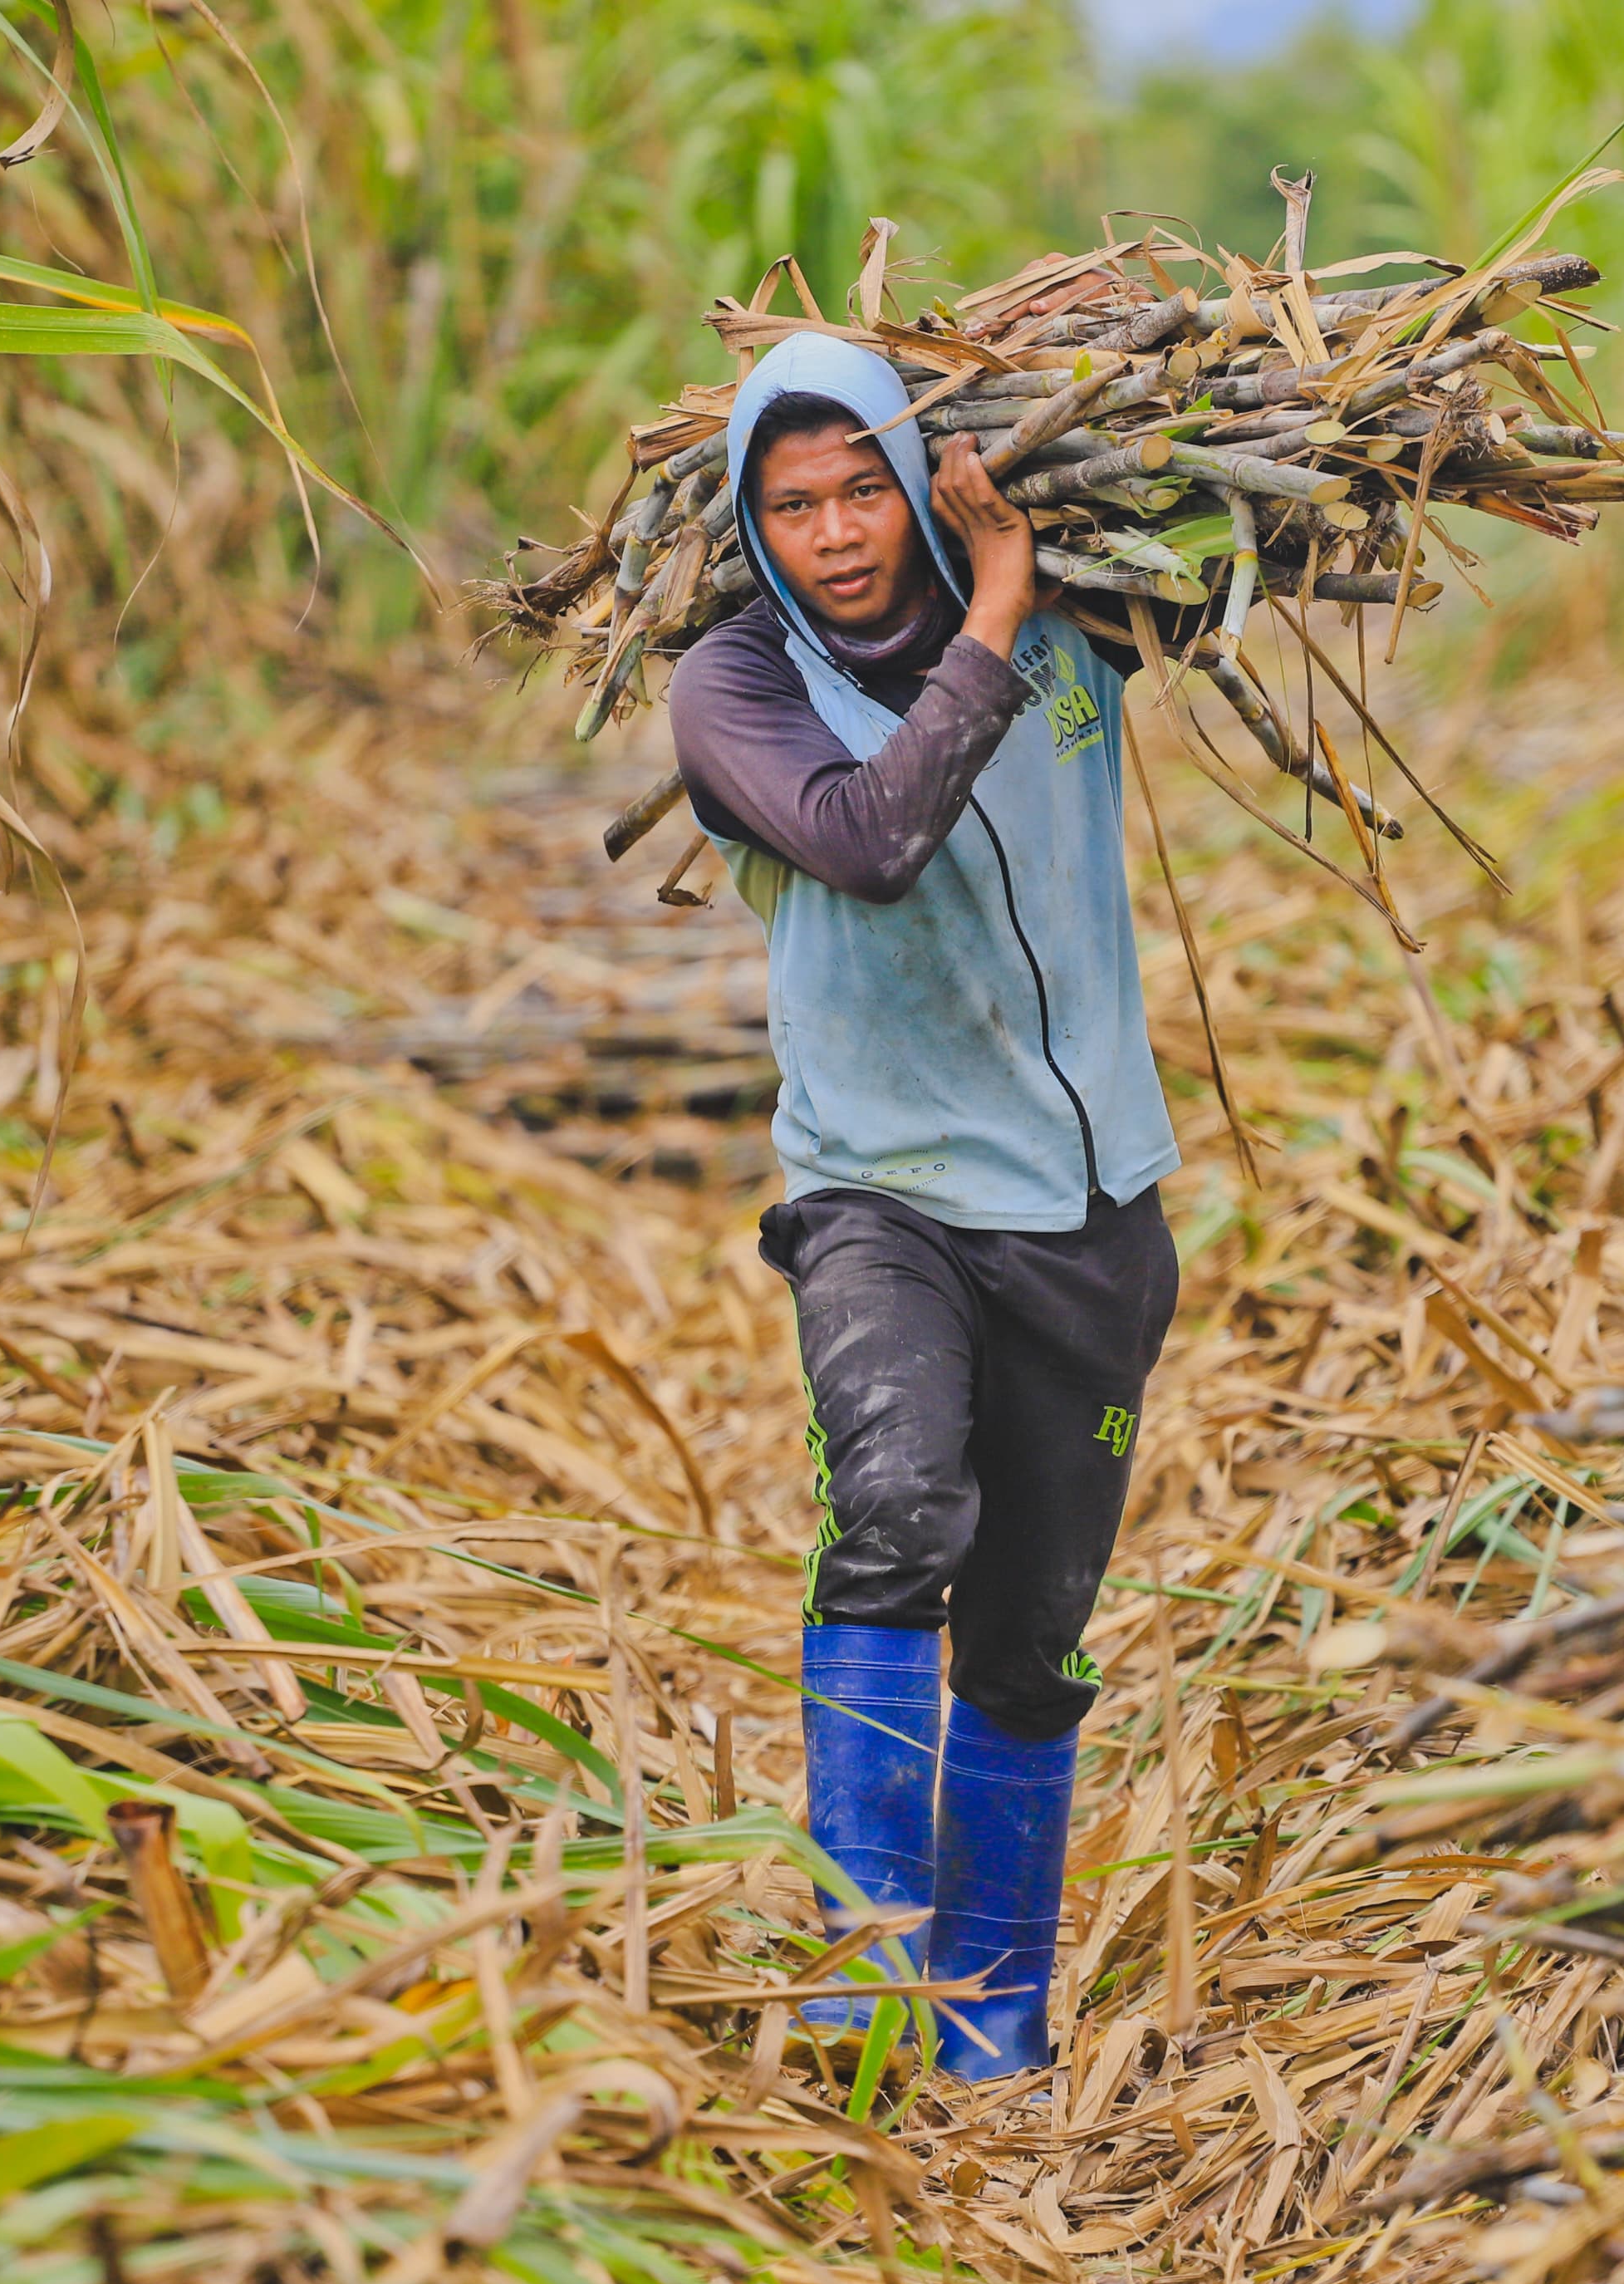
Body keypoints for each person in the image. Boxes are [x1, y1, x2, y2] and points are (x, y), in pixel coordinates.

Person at [666, 331, 1179, 2084]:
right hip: (876, 1188)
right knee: (895, 1509)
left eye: (860, 487)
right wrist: (991, 607)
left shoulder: (1083, 621)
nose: (829, 531)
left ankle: (995, 2031)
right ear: (750, 523)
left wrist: (1039, 567)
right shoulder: (735, 687)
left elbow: (1250, 564)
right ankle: (862, 1981)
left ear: (917, 478)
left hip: (1090, 1195)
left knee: (1030, 1636)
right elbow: (871, 836)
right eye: (789, 502)